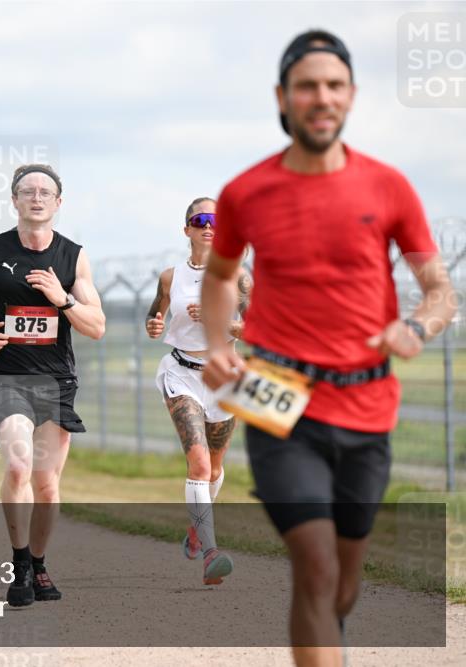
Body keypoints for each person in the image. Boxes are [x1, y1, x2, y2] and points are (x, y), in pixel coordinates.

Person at [200, 30, 455, 666]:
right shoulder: (246, 192)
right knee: (312, 564)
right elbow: (222, 275)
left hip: (367, 402)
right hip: (276, 396)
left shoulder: (388, 187)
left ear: (351, 96)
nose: (321, 97)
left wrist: (417, 328)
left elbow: (440, 291)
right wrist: (214, 344)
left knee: (342, 581)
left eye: (334, 85)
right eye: (308, 85)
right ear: (283, 97)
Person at [0, 164, 106, 607]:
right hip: (7, 376)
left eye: (45, 192)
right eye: (27, 191)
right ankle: (19, 563)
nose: (36, 197)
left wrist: (64, 299)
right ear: (14, 200)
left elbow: (97, 327)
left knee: (47, 485)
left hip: (56, 380)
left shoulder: (73, 257)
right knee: (18, 465)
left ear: (59, 203)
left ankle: (39, 565)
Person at [146, 197, 251, 585]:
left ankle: (196, 529)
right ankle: (210, 553)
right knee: (200, 465)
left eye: (217, 221)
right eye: (200, 219)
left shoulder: (238, 276)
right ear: (187, 228)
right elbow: (155, 314)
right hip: (181, 373)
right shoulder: (170, 277)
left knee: (217, 468)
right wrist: (153, 327)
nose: (209, 226)